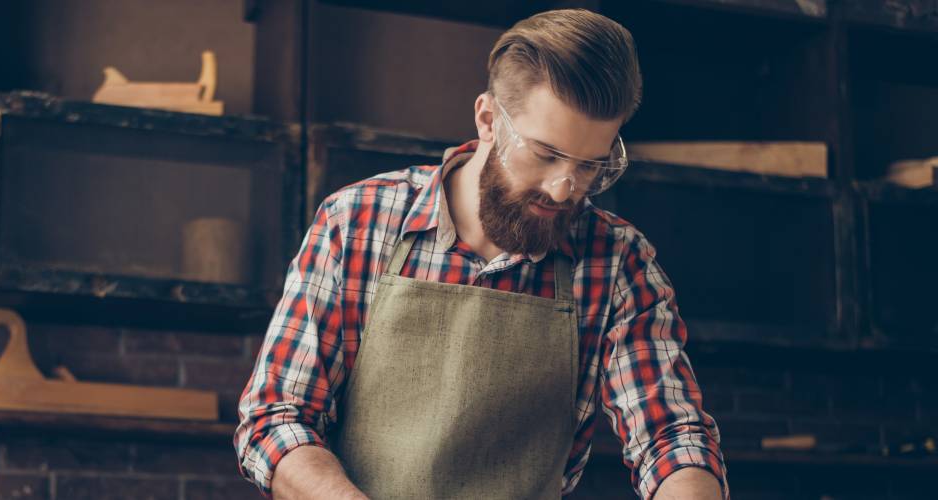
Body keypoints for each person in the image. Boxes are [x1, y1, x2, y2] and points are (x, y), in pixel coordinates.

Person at [234, 8, 727, 500]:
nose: (562, 190)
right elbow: (277, 419)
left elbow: (671, 438)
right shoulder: (358, 222)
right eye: (545, 155)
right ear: (489, 119)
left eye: (590, 166)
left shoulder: (617, 262)